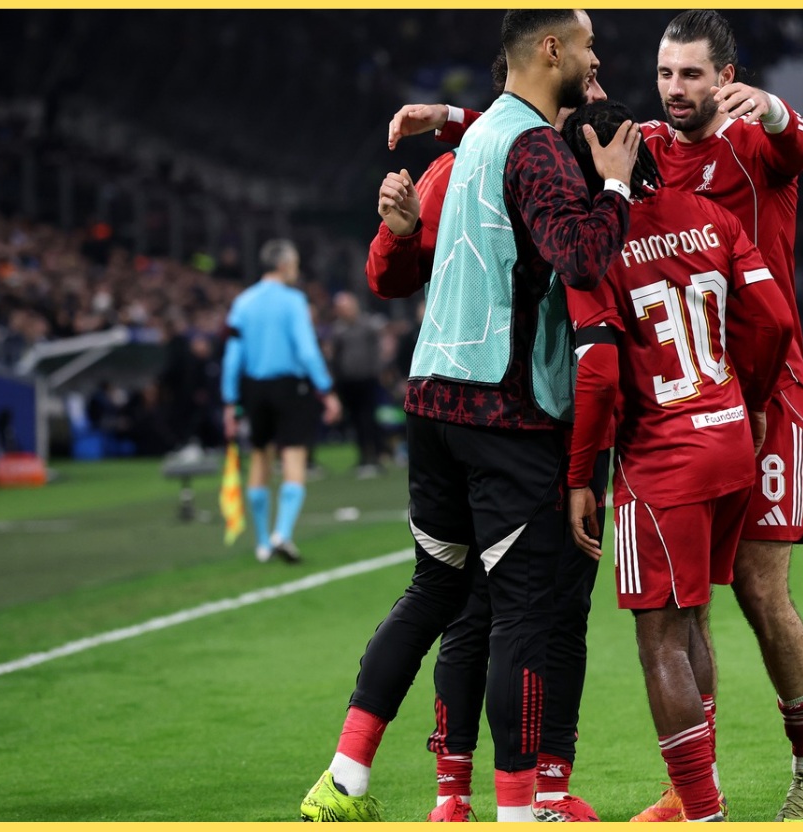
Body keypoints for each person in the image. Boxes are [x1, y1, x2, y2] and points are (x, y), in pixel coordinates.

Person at [389, 11, 803, 822]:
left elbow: (799, 147)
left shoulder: (750, 148)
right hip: (727, 409)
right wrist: (452, 119)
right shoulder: (652, 155)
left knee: (757, 595)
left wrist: (771, 110)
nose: (673, 90)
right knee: (688, 606)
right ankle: (692, 789)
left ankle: (800, 768)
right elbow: (564, 123)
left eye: (692, 76)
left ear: (724, 78)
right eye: (664, 74)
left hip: (752, 404)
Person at [299, 9, 637, 823]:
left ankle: (344, 778)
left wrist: (446, 117)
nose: (596, 59)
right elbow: (584, 253)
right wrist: (619, 186)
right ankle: (521, 812)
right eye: (588, 45)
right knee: (523, 613)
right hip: (502, 410)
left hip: (429, 402)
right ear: (551, 50)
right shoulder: (533, 148)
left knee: (435, 591)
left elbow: (409, 251)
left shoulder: (478, 142)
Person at [370, 57, 611, 823]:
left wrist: (448, 117)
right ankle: (503, 795)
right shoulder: (489, 159)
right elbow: (387, 271)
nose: (600, 87)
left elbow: (522, 146)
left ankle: (509, 789)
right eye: (591, 71)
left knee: (507, 608)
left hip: (478, 408)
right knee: (510, 611)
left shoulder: (501, 150)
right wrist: (400, 229)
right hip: (520, 418)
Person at [561, 100, 794, 824]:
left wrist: (580, 478)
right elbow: (777, 318)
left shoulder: (594, 247)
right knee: (692, 621)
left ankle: (700, 810)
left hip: (661, 460)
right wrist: (751, 400)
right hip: (729, 440)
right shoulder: (710, 215)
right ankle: (700, 797)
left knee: (658, 637)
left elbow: (597, 373)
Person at [220, 239, 341, 565]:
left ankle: (261, 543)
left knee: (259, 458)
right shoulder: (293, 301)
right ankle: (282, 533)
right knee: (293, 457)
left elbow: (233, 356)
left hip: (254, 388)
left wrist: (230, 401)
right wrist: (326, 390)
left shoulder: (242, 303)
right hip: (290, 388)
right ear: (286, 265)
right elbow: (306, 350)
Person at [327, 291, 388, 477]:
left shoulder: (367, 325)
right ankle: (363, 456)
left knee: (369, 418)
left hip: (367, 379)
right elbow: (334, 357)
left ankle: (376, 455)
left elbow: (378, 350)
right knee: (355, 420)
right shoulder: (337, 330)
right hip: (347, 381)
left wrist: (379, 370)